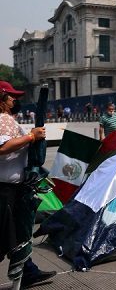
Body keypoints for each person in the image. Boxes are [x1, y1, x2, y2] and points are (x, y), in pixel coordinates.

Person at [0, 80, 56, 288]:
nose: (15, 99)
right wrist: (32, 136)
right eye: (11, 96)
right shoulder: (2, 119)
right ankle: (27, 272)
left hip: (12, 188)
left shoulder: (7, 119)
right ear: (2, 99)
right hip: (5, 190)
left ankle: (28, 272)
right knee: (10, 235)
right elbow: (2, 147)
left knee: (19, 234)